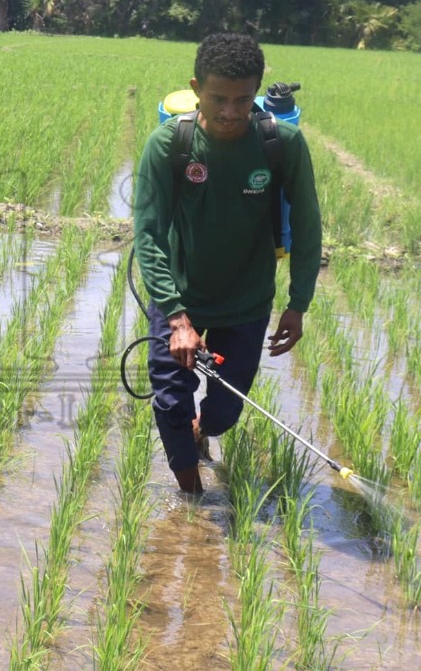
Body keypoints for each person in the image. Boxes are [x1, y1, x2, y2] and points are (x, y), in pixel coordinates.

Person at [134, 32, 322, 494]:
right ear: (197, 88)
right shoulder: (169, 144)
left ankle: (203, 431)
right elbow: (148, 235)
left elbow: (308, 225)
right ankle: (192, 500)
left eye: (243, 100)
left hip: (246, 301)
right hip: (180, 296)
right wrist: (176, 317)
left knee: (224, 413)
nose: (231, 112)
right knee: (170, 402)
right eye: (218, 98)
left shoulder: (282, 143)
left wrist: (298, 304)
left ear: (256, 91)